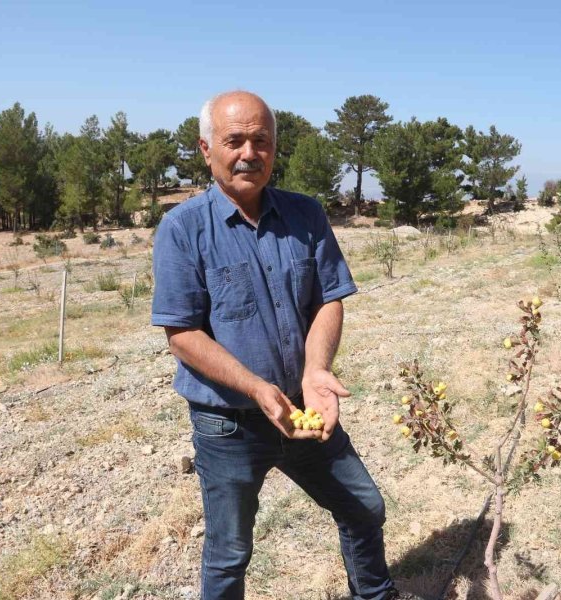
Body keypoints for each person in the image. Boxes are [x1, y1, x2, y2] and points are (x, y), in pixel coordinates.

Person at [151, 91, 420, 600]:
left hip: (303, 411)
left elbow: (328, 298)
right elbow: (182, 335)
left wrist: (316, 369)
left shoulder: (305, 214)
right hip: (228, 424)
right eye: (234, 141)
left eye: (262, 141)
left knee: (364, 507)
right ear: (206, 149)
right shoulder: (182, 228)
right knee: (229, 554)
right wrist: (256, 389)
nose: (249, 153)